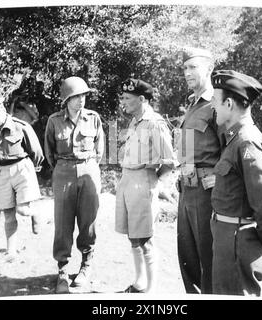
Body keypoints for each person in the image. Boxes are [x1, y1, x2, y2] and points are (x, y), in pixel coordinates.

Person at [210, 70, 262, 296]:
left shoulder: (247, 142)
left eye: (215, 100)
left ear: (229, 103)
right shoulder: (236, 138)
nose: (213, 106)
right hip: (228, 239)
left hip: (238, 243)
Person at [115, 78, 178, 293]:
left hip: (143, 181)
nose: (123, 102)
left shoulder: (154, 123)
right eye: (122, 98)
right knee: (133, 236)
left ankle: (151, 291)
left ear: (142, 99)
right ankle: (139, 282)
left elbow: (170, 161)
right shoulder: (135, 121)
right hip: (127, 180)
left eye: (128, 98)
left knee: (145, 238)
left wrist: (152, 179)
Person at [44, 76, 104, 294]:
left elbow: (100, 149)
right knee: (62, 221)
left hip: (89, 169)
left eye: (84, 96)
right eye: (77, 96)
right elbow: (49, 152)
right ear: (66, 99)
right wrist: (64, 169)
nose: (82, 100)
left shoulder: (93, 118)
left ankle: (86, 266)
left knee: (89, 220)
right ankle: (63, 269)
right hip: (63, 172)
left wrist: (88, 167)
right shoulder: (54, 120)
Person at [176, 48, 221, 294]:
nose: (187, 73)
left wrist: (221, 183)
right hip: (186, 191)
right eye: (185, 68)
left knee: (209, 261)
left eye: (193, 67)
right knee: (188, 261)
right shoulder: (192, 105)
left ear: (208, 69)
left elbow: (231, 151)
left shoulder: (218, 105)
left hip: (207, 195)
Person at [0, 96, 44, 261]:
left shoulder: (20, 126)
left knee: (22, 210)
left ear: (2, 110)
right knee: (7, 214)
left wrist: (33, 169)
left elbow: (36, 151)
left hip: (22, 168)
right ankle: (11, 251)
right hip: (1, 171)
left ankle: (35, 213)